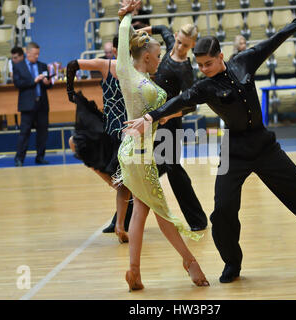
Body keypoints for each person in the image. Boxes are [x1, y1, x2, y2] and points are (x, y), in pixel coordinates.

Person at [126, 0, 296, 283]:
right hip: (233, 150)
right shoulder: (204, 86)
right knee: (222, 209)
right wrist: (150, 118)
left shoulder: (245, 61)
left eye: (208, 63)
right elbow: (181, 100)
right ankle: (232, 263)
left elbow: (276, 38)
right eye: (200, 65)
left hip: (264, 146)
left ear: (221, 56)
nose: (204, 69)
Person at [116, 0, 209, 291]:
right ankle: (189, 262)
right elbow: (167, 111)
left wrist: (126, 17)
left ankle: (135, 271)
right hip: (143, 156)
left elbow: (122, 41)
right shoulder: (152, 90)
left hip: (127, 152)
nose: (160, 61)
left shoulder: (125, 71)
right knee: (164, 213)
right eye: (157, 57)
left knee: (142, 209)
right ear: (145, 58)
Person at [136, 22, 208, 231]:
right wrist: (139, 32)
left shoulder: (185, 69)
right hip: (155, 119)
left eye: (185, 45)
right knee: (152, 170)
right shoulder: (169, 45)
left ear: (192, 45)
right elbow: (161, 27)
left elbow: (190, 105)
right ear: (175, 37)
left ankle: (198, 220)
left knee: (171, 169)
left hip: (170, 124)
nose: (179, 47)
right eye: (178, 42)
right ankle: (121, 218)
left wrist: (169, 115)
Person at [66, 36, 133, 243]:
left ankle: (120, 225)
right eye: (119, 48)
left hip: (128, 131)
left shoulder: (137, 69)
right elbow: (72, 64)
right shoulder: (106, 65)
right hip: (108, 128)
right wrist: (70, 90)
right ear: (113, 50)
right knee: (74, 142)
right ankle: (113, 184)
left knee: (125, 185)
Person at [13, 42, 52, 167]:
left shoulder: (43, 66)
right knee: (24, 133)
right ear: (27, 53)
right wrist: (33, 81)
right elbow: (18, 84)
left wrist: (47, 83)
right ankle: (19, 158)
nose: (37, 56)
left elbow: (49, 85)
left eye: (38, 54)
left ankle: (40, 157)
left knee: (42, 133)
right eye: (35, 54)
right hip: (27, 104)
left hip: (42, 103)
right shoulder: (18, 66)